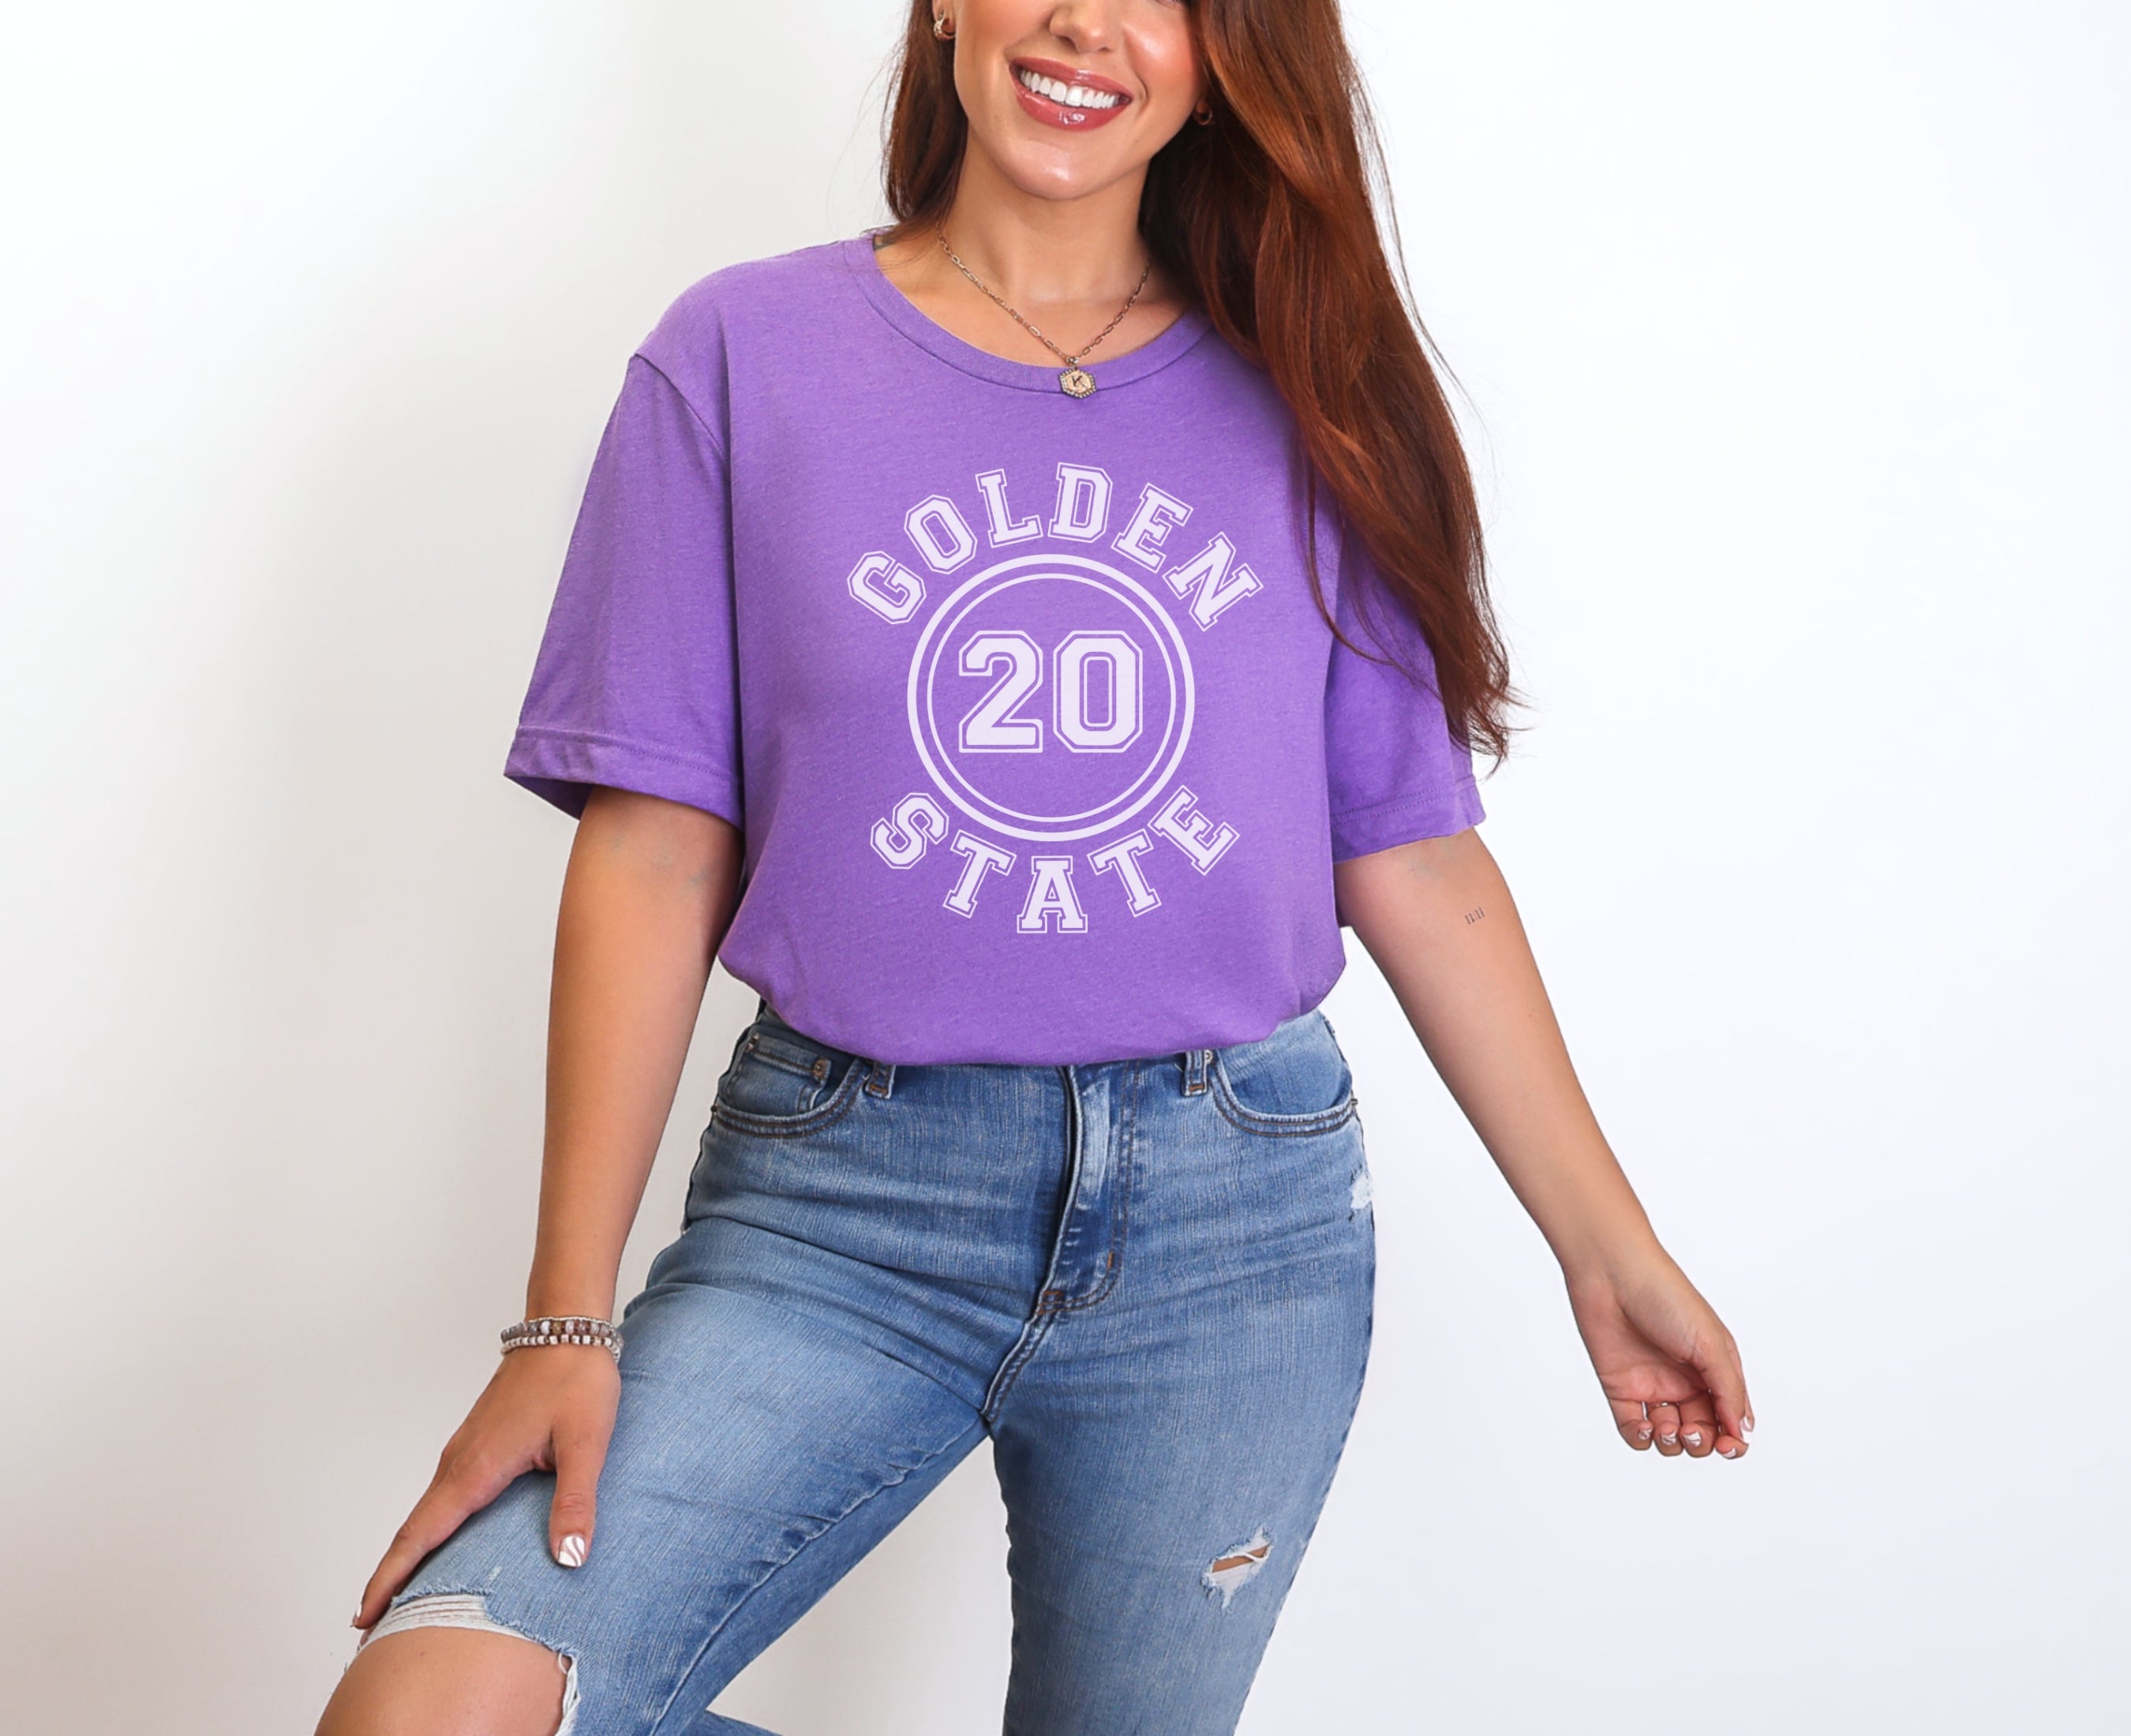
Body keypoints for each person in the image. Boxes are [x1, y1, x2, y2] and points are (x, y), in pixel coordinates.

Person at [318, 2, 1753, 1732]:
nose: (1085, 22)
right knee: (440, 1705)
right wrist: (565, 1324)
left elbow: (1414, 857)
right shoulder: (740, 356)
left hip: (1236, 1226)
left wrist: (1608, 1247)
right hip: (841, 1207)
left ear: (1224, 60)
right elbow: (653, 853)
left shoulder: (1316, 391)